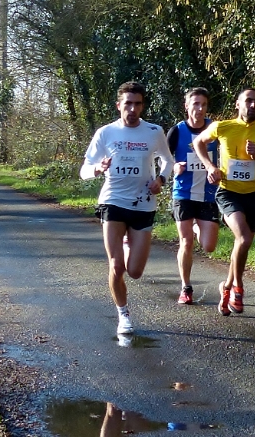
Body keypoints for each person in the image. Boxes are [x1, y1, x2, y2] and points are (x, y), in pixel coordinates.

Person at [80, 81, 174, 336]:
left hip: (143, 203)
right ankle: (123, 315)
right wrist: (97, 169)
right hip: (113, 201)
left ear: (142, 106)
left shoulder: (154, 132)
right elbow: (84, 169)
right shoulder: (106, 133)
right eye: (128, 104)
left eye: (137, 104)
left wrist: (161, 179)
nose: (132, 109)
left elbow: (168, 160)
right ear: (118, 105)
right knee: (116, 266)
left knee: (135, 271)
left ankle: (127, 243)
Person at [192, 88, 255, 316]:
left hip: (254, 195)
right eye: (248, 101)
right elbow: (198, 143)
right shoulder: (222, 127)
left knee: (242, 244)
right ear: (238, 104)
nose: (253, 105)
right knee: (243, 238)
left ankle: (226, 286)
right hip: (228, 193)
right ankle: (238, 289)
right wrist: (210, 167)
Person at [167, 87, 220, 305]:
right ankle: (186, 287)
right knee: (186, 241)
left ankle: (198, 227)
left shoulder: (215, 129)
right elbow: (163, 158)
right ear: (187, 106)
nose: (199, 109)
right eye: (195, 104)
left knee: (209, 246)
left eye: (203, 105)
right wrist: (174, 167)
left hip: (208, 194)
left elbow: (226, 154)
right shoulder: (177, 131)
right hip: (183, 193)